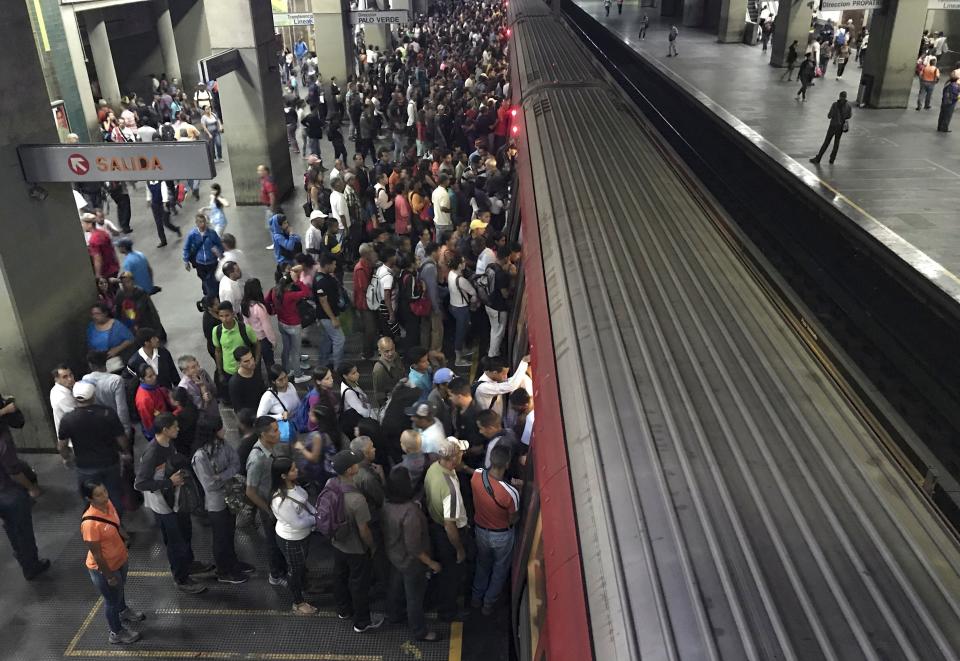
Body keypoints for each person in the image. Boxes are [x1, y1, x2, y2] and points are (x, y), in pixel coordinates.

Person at [134, 413, 212, 594]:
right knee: (175, 542)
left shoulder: (169, 444)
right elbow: (140, 483)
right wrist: (169, 482)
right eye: (175, 427)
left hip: (176, 500)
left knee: (185, 534)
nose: (178, 429)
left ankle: (189, 563)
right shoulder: (153, 453)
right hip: (164, 506)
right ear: (165, 430)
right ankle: (181, 577)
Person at [81, 480, 145, 645]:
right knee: (111, 601)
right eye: (99, 495)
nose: (104, 496)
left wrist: (125, 537)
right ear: (89, 498)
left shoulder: (108, 504)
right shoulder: (89, 524)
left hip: (120, 559)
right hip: (104, 568)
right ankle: (116, 632)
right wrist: (108, 576)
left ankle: (123, 610)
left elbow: (116, 524)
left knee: (119, 590)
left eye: (104, 491)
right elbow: (97, 555)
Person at [328, 449, 384, 633]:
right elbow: (364, 530)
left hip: (337, 542)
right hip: (356, 548)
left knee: (340, 575)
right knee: (359, 584)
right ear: (351, 470)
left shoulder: (330, 483)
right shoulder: (357, 499)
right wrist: (371, 546)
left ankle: (343, 610)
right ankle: (362, 621)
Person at [383, 467, 442, 641]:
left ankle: (394, 615)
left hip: (394, 555)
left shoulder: (386, 504)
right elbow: (414, 547)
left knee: (395, 587)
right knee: (414, 598)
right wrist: (432, 563)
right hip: (411, 563)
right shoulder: (411, 513)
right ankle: (420, 631)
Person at [192, 422, 253, 584]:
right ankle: (224, 571)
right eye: (221, 428)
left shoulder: (223, 444)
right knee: (221, 538)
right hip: (216, 503)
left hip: (230, 499)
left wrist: (221, 476)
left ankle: (233, 562)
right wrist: (226, 475)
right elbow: (210, 484)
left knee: (230, 533)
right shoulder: (201, 456)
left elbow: (236, 464)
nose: (225, 429)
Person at [58, 381, 131, 513]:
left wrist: (66, 458)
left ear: (75, 398)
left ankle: (96, 526)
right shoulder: (107, 413)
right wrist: (126, 452)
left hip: (85, 466)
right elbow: (121, 439)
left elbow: (62, 445)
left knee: (90, 498)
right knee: (114, 495)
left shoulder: (68, 419)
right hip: (110, 462)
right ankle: (117, 525)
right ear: (93, 396)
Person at [0, 399, 49, 581]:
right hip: (9, 493)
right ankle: (31, 565)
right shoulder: (3, 440)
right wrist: (31, 487)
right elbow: (13, 470)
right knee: (22, 530)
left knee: (11, 528)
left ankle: (20, 554)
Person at [424, 437, 471, 622]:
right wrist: (459, 549)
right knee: (451, 576)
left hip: (435, 527)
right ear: (453, 460)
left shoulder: (433, 469)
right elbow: (450, 525)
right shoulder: (450, 490)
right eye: (460, 454)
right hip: (448, 535)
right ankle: (447, 611)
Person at [470, 443, 519, 615]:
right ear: (507, 464)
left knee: (482, 565)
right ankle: (488, 604)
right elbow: (513, 518)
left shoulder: (476, 476)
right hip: (502, 536)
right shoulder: (511, 493)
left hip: (481, 532)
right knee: (500, 569)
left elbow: (474, 473)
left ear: (490, 459)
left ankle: (476, 598)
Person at [270, 457, 318, 614]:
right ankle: (298, 602)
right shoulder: (281, 500)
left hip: (302, 535)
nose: (296, 470)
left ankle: (304, 586)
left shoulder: (294, 486)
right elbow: (296, 523)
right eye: (292, 469)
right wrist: (315, 519)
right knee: (295, 571)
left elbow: (304, 502)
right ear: (283, 476)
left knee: (300, 566)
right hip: (292, 540)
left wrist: (315, 514)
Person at [246, 416, 289, 586]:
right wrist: (268, 510)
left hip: (278, 501)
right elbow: (250, 491)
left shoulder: (272, 448)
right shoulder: (257, 459)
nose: (278, 433)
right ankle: (276, 574)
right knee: (273, 542)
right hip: (269, 505)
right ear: (264, 434)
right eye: (275, 430)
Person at [265, 267, 312, 384]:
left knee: (286, 349)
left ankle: (286, 370)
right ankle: (298, 374)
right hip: (294, 326)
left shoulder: (274, 291)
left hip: (282, 324)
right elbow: (307, 292)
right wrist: (298, 281)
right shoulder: (290, 295)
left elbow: (266, 301)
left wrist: (273, 311)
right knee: (295, 351)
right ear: (289, 285)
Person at [83, 351, 133, 438]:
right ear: (106, 362)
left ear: (90, 365)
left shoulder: (86, 379)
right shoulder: (116, 380)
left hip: (98, 425)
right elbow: (122, 409)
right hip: (115, 424)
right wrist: (126, 430)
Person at [212, 301, 260, 384]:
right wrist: (220, 372)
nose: (224, 319)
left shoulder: (245, 329)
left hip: (246, 369)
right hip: (228, 371)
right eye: (221, 316)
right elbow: (218, 351)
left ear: (233, 314)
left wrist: (256, 362)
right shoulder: (216, 331)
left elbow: (257, 344)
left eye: (227, 315)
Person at [314, 253, 346, 369]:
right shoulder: (321, 281)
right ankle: (338, 367)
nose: (335, 267)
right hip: (327, 317)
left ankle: (323, 363)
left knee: (327, 339)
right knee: (339, 340)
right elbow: (323, 301)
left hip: (327, 315)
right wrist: (333, 318)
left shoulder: (325, 277)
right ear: (327, 265)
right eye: (333, 264)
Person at [183, 214, 224, 297]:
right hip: (200, 263)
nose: (203, 224)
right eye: (201, 222)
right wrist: (186, 261)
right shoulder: (192, 234)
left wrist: (218, 252)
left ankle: (213, 296)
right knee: (204, 280)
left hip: (212, 262)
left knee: (212, 280)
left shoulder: (212, 233)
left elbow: (220, 245)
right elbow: (186, 247)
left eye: (204, 221)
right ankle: (208, 296)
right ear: (196, 223)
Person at [87, 303, 135, 373]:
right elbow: (89, 344)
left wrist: (117, 349)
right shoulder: (91, 327)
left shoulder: (116, 325)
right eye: (93, 314)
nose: (95, 316)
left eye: (97, 314)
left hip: (116, 360)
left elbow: (130, 339)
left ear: (105, 313)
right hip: (99, 362)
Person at [241, 278, 277, 372]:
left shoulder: (244, 305)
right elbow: (267, 327)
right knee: (270, 364)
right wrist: (273, 341)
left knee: (255, 364)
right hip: (263, 340)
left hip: (251, 339)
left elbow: (245, 324)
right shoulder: (259, 307)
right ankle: (271, 383)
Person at [484, 245, 513, 358]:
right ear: (506, 257)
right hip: (498, 308)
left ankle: (492, 351)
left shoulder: (490, 267)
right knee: (498, 333)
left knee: (494, 329)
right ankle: (493, 355)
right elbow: (505, 294)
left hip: (489, 304)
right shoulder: (501, 274)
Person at [134, 364, 177, 440]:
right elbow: (149, 424)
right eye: (150, 376)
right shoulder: (144, 400)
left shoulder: (154, 386)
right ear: (142, 379)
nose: (154, 377)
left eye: (154, 373)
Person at [810, 91, 853, 165]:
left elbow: (829, 116)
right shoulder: (849, 106)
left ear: (839, 96)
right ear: (846, 97)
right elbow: (849, 116)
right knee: (836, 143)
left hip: (833, 126)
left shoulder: (835, 105)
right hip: (840, 128)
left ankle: (818, 158)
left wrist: (832, 115)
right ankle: (832, 159)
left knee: (826, 142)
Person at [81, 213, 121, 279]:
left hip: (106, 271)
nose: (83, 226)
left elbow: (97, 258)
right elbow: (112, 249)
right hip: (113, 266)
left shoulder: (93, 240)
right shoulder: (103, 232)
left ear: (90, 224)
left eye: (84, 223)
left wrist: (98, 274)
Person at [228, 346, 267, 413]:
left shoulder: (255, 371)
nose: (251, 362)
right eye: (246, 361)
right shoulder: (235, 383)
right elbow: (238, 409)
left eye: (252, 358)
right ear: (239, 363)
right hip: (250, 417)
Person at [145, 179, 181, 248]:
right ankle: (163, 241)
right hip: (155, 205)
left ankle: (176, 229)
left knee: (166, 222)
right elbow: (148, 191)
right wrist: (148, 200)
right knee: (158, 223)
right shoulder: (147, 182)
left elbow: (164, 192)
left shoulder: (161, 182)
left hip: (163, 204)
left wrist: (165, 203)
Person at [371, 337, 404, 409]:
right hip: (391, 402)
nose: (390, 353)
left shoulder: (396, 356)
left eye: (392, 349)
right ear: (380, 351)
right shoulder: (379, 369)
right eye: (386, 351)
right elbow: (379, 394)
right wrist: (385, 407)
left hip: (400, 394)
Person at [49, 364, 77, 440]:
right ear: (57, 379)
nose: (70, 379)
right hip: (72, 437)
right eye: (65, 377)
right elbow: (77, 416)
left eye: (71, 375)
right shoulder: (62, 396)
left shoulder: (58, 389)